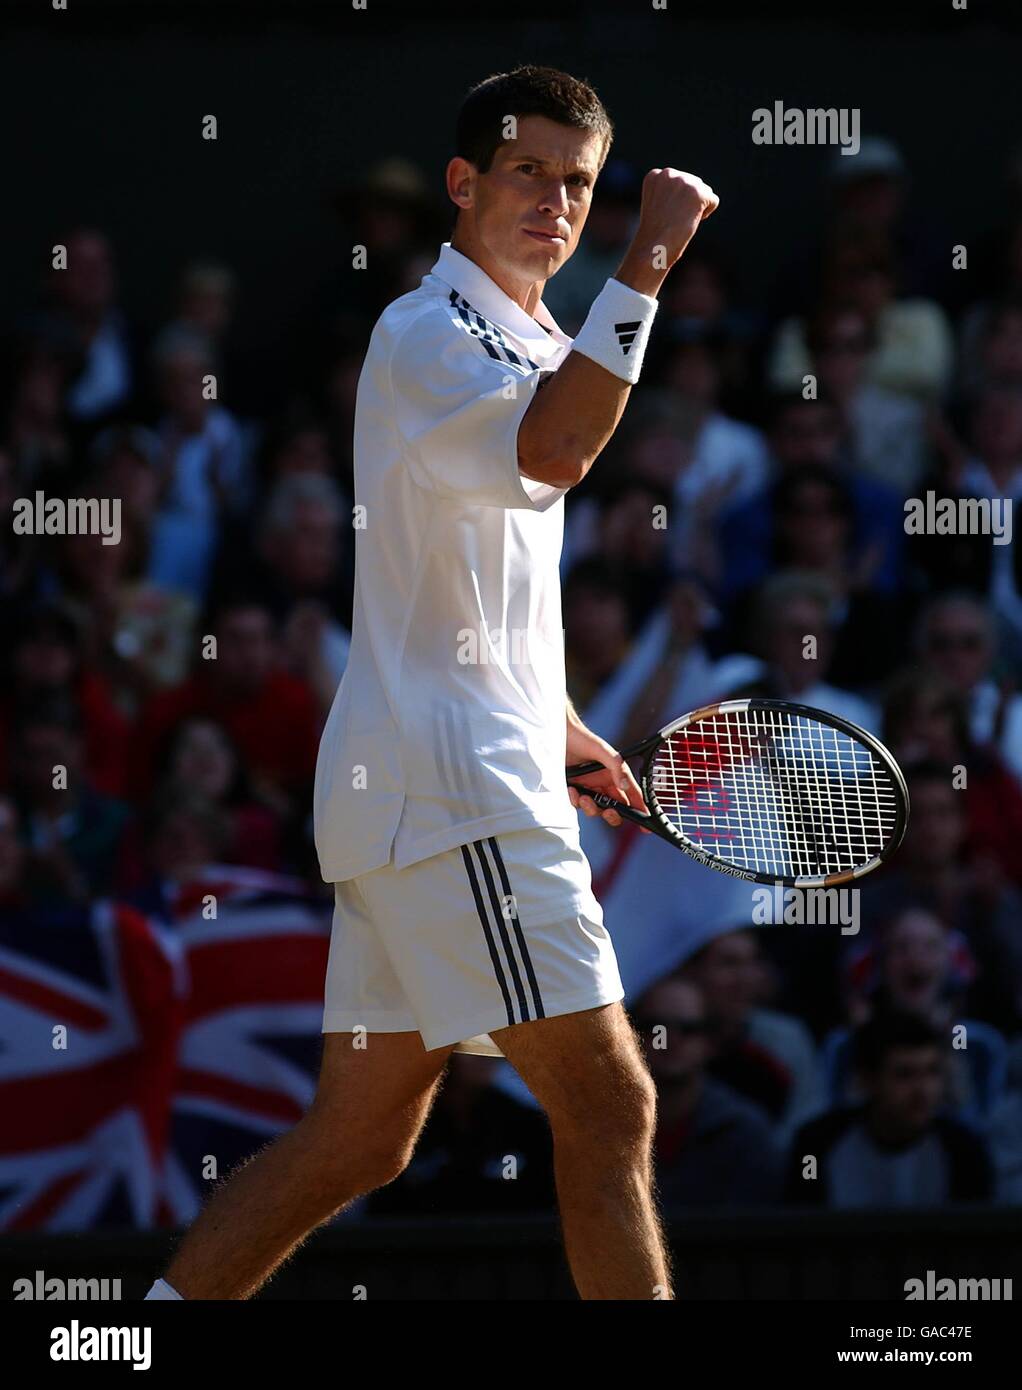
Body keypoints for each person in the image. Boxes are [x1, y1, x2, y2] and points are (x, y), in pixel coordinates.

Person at [146, 64, 719, 1303]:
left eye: (577, 183)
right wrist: (649, 264)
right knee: (612, 1106)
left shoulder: (527, 340)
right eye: (527, 172)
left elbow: (475, 580)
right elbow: (558, 450)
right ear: (462, 185)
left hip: (426, 790)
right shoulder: (424, 331)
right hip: (455, 797)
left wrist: (557, 722)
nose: (555, 202)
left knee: (357, 1142)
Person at [785, 1011, 994, 1209]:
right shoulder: (814, 1149)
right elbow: (804, 1220)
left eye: (932, 1072)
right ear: (867, 1081)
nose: (923, 1091)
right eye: (905, 1074)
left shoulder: (965, 1153)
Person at [634, 976, 783, 1212]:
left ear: (710, 1042)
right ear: (633, 1037)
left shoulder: (745, 1133)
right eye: (655, 1027)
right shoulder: (602, 1131)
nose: (670, 1040)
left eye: (688, 1029)